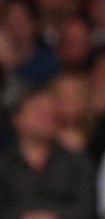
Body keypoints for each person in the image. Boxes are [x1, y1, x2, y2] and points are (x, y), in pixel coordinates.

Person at [0, 86, 95, 218]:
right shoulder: (4, 164)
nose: (46, 119)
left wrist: (53, 217)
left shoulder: (76, 162)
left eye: (51, 114)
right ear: (17, 119)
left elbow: (87, 209)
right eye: (39, 113)